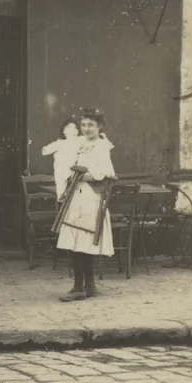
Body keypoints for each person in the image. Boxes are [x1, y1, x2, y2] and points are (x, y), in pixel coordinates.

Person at [55, 107, 116, 301]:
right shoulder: (77, 143)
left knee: (84, 240)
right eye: (83, 125)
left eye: (91, 125)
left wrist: (86, 174)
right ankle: (84, 285)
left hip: (90, 196)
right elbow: (64, 163)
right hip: (75, 195)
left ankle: (82, 286)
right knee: (73, 239)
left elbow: (106, 172)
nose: (86, 128)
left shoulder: (102, 146)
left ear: (99, 126)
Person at [41, 117, 80, 199]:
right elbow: (45, 151)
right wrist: (46, 148)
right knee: (60, 177)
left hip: (75, 169)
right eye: (69, 127)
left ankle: (70, 195)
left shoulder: (79, 141)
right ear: (64, 131)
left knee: (79, 179)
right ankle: (61, 195)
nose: (73, 130)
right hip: (62, 167)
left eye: (75, 128)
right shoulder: (60, 143)